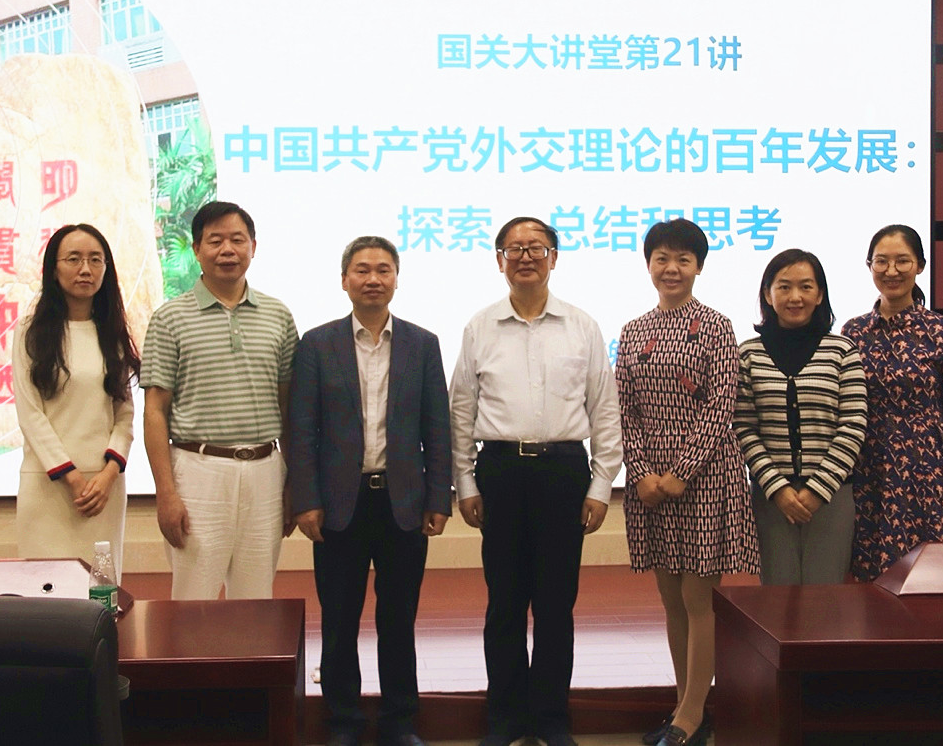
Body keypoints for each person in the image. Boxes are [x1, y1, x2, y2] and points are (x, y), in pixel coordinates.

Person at [449, 216, 622, 746]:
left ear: (554, 257)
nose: (526, 256)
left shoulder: (581, 326)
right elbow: (461, 411)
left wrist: (600, 485)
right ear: (499, 259)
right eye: (514, 248)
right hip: (500, 472)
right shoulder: (480, 327)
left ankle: (550, 718)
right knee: (503, 602)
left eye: (537, 247)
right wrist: (465, 483)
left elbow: (605, 410)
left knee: (554, 605)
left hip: (562, 473)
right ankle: (504, 719)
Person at [286, 236, 452, 746]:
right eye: (362, 270)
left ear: (396, 279)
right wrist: (305, 500)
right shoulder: (317, 344)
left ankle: (400, 722)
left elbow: (437, 427)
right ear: (344, 280)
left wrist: (438, 497)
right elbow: (302, 429)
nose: (373, 279)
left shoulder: (423, 344)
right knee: (339, 621)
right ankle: (344, 722)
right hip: (340, 504)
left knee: (398, 620)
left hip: (403, 503)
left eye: (383, 269)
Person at [616, 219, 758, 746]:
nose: (671, 268)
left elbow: (721, 408)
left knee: (699, 600)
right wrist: (641, 473)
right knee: (671, 599)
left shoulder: (717, 327)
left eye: (683, 259)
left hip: (705, 478)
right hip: (649, 483)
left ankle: (693, 715)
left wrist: (680, 473)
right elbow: (624, 410)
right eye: (662, 258)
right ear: (648, 264)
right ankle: (684, 706)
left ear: (699, 266)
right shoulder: (632, 330)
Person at [140, 201, 299, 600]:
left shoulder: (278, 315)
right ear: (197, 249)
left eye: (237, 240)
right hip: (198, 472)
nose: (227, 250)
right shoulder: (170, 318)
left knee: (256, 600)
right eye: (215, 241)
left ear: (253, 247)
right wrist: (166, 493)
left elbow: (289, 407)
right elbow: (155, 411)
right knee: (193, 600)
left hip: (266, 471)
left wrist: (294, 481)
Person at [841, 224, 943, 582]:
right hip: (869, 466)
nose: (892, 271)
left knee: (931, 575)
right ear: (869, 266)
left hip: (927, 470)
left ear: (920, 265)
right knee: (874, 578)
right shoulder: (853, 332)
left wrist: (926, 444)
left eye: (902, 261)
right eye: (881, 261)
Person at [13, 223, 140, 578]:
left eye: (95, 260)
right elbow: (30, 414)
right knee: (46, 591)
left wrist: (109, 475)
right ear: (54, 269)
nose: (86, 269)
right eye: (74, 259)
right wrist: (71, 477)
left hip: (104, 490)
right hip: (48, 486)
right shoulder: (29, 331)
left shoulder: (111, 332)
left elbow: (124, 415)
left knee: (100, 590)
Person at [733, 249, 867, 586]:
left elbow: (853, 425)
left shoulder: (843, 350)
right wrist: (777, 488)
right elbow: (744, 426)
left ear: (820, 295)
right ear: (768, 294)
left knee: (825, 599)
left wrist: (817, 490)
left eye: (806, 287)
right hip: (771, 498)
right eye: (784, 287)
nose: (795, 297)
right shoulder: (748, 353)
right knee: (777, 599)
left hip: (831, 496)